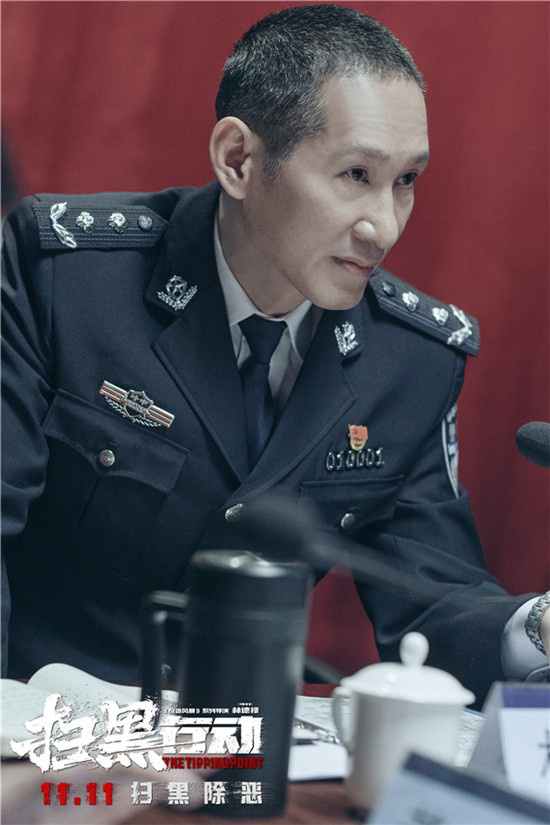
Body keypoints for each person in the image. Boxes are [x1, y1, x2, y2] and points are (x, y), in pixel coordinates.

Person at [2, 4, 548, 705]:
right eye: (356, 174)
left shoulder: (410, 359)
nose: (384, 227)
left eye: (406, 180)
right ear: (239, 159)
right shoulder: (65, 280)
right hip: (41, 730)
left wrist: (539, 626)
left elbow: (433, 604)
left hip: (242, 748)